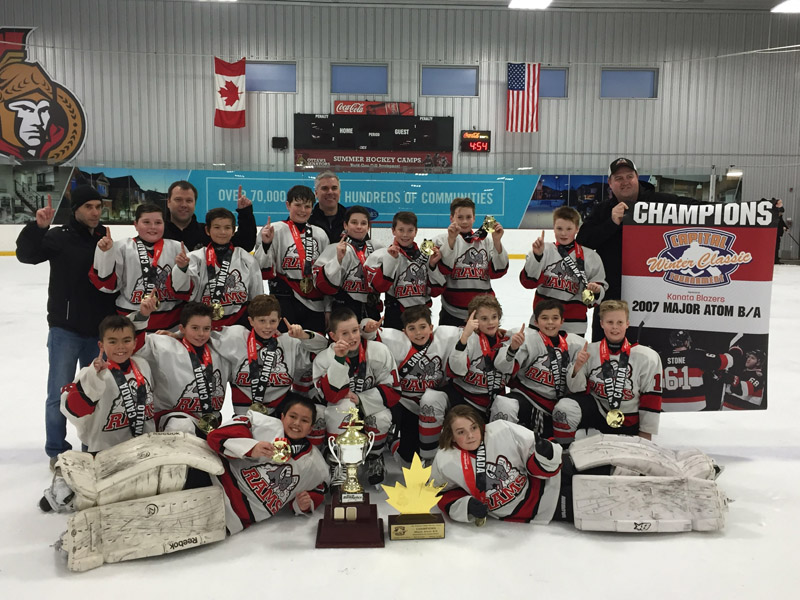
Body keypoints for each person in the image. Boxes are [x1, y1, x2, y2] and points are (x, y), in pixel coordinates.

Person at [431, 405, 726, 531]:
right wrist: (467, 508)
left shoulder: (501, 430)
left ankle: (693, 466)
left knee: (617, 461)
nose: (469, 435)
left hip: (559, 472)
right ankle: (698, 497)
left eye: (473, 428)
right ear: (450, 435)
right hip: (545, 508)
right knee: (624, 495)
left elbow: (541, 464)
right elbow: (443, 497)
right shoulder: (445, 461)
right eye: (461, 432)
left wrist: (544, 453)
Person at [16, 185, 118, 468]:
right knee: (59, 392)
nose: (95, 212)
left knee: (96, 391)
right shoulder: (59, 236)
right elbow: (27, 255)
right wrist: (37, 227)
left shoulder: (104, 236)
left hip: (98, 332)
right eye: (89, 207)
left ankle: (91, 447)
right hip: (66, 329)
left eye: (98, 207)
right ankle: (57, 450)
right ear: (77, 210)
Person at [576, 158, 693, 340]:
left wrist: (741, 211)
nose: (625, 182)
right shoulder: (603, 210)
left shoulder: (659, 203)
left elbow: (696, 209)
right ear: (610, 183)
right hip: (612, 296)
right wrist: (611, 223)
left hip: (652, 295)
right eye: (619, 178)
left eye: (629, 176)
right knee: (602, 351)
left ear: (637, 178)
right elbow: (583, 242)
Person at [206, 396, 329, 534]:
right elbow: (215, 437)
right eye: (292, 416)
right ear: (282, 417)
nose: (297, 423)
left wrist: (302, 504)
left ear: (311, 428)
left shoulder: (315, 465)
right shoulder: (260, 424)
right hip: (214, 482)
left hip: (236, 516)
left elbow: (319, 489)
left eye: (304, 420)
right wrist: (251, 448)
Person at [552, 300, 662, 447]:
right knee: (564, 409)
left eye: (619, 322)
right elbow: (575, 390)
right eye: (610, 322)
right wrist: (577, 367)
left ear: (627, 324)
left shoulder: (647, 357)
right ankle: (562, 454)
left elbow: (651, 399)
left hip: (629, 421)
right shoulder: (589, 351)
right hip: (598, 413)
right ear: (602, 324)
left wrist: (645, 435)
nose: (615, 327)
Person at [361, 305, 461, 464]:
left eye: (423, 327)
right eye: (412, 328)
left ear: (431, 327)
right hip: (405, 403)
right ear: (404, 331)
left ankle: (431, 455)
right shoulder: (396, 341)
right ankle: (391, 441)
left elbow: (471, 332)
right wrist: (367, 327)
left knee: (425, 445)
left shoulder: (445, 337)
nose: (419, 333)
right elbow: (369, 333)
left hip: (433, 402)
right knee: (408, 456)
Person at [312, 307, 400, 485]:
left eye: (355, 331)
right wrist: (339, 361)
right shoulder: (323, 359)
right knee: (344, 407)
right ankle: (338, 461)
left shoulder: (379, 351)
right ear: (333, 336)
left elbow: (394, 390)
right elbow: (332, 397)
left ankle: (374, 456)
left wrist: (361, 399)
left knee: (382, 418)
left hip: (370, 406)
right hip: (339, 412)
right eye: (345, 333)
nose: (352, 337)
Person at [133, 300, 237, 435]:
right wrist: (143, 315)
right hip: (173, 420)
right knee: (181, 425)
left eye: (206, 328)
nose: (201, 333)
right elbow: (135, 344)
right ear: (182, 328)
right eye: (195, 328)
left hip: (210, 423)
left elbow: (247, 335)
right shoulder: (164, 345)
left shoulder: (220, 349)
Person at [490, 299, 585, 437]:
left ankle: (563, 450)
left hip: (555, 405)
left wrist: (577, 369)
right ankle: (501, 447)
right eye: (544, 318)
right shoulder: (526, 338)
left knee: (567, 410)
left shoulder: (575, 345)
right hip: (526, 397)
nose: (550, 322)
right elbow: (503, 367)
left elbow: (577, 388)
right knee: (504, 404)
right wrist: (512, 349)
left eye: (555, 318)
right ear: (536, 321)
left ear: (562, 321)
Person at [60, 315, 155, 453]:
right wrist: (93, 377)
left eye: (126, 340)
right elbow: (75, 410)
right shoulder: (92, 373)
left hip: (144, 448)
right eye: (112, 341)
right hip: (105, 452)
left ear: (135, 343)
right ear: (101, 345)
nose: (120, 346)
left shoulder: (143, 365)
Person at [225, 294, 327, 420]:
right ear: (251, 321)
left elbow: (323, 346)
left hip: (279, 416)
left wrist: (303, 335)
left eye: (272, 321)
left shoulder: (288, 342)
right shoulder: (235, 337)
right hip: (243, 417)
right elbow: (205, 336)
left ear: (279, 321)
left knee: (318, 413)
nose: (267, 326)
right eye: (262, 321)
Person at [90, 203, 184, 331]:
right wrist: (106, 253)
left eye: (158, 222)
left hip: (170, 325)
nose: (153, 227)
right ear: (135, 224)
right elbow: (106, 286)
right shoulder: (121, 247)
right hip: (131, 322)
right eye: (146, 222)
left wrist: (184, 268)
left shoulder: (177, 247)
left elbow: (186, 288)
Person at [171, 207, 264, 329]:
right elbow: (182, 291)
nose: (222, 232)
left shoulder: (246, 259)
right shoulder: (195, 258)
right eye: (217, 227)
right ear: (207, 230)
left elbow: (257, 298)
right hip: (202, 327)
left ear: (233, 230)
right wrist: (182, 268)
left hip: (238, 326)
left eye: (227, 228)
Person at [520, 206, 606, 337]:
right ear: (553, 227)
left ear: (577, 229)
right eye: (559, 228)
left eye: (569, 229)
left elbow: (593, 300)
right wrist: (537, 256)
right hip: (542, 322)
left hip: (574, 326)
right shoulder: (545, 250)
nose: (564, 233)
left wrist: (597, 290)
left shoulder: (590, 257)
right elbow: (528, 282)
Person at [256, 185, 330, 334]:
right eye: (297, 205)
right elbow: (260, 269)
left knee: (314, 346)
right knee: (285, 346)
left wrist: (328, 309)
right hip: (284, 301)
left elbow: (326, 275)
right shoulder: (273, 230)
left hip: (315, 303)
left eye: (307, 206)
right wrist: (266, 244)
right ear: (288, 205)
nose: (302, 210)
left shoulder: (320, 234)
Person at [364, 211, 445, 330]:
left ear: (416, 231)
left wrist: (432, 265)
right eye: (401, 230)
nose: (405, 235)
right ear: (393, 231)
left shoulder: (427, 255)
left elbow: (436, 291)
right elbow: (379, 288)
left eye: (410, 230)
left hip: (422, 315)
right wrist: (391, 260)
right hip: (395, 315)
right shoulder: (382, 255)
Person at [435, 197, 509, 326]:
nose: (464, 221)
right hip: (452, 313)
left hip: (483, 314)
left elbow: (499, 271)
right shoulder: (440, 241)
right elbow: (442, 271)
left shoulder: (486, 242)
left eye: (468, 217)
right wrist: (451, 241)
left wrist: (497, 241)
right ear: (451, 218)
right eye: (460, 217)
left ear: (474, 218)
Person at [314, 205, 383, 321]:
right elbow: (322, 285)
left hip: (371, 307)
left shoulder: (378, 248)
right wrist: (327, 309)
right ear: (345, 225)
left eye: (363, 223)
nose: (359, 227)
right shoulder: (334, 248)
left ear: (368, 227)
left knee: (373, 339)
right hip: (343, 308)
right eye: (354, 222)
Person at [163, 181, 256, 251]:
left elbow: (245, 244)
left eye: (189, 201)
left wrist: (245, 213)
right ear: (168, 202)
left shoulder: (207, 232)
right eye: (178, 200)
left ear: (195, 204)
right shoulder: (158, 232)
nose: (184, 205)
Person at [308, 171, 347, 243]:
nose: (330, 192)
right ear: (316, 193)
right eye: (325, 188)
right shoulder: (308, 220)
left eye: (334, 188)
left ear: (340, 192)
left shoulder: (350, 219)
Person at [771, 198, 789, 264]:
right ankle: (775, 259)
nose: (781, 204)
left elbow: (781, 221)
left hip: (779, 232)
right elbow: (779, 221)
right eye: (780, 202)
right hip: (775, 232)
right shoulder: (774, 211)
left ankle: (776, 258)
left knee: (777, 246)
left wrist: (786, 227)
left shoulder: (779, 212)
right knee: (775, 246)